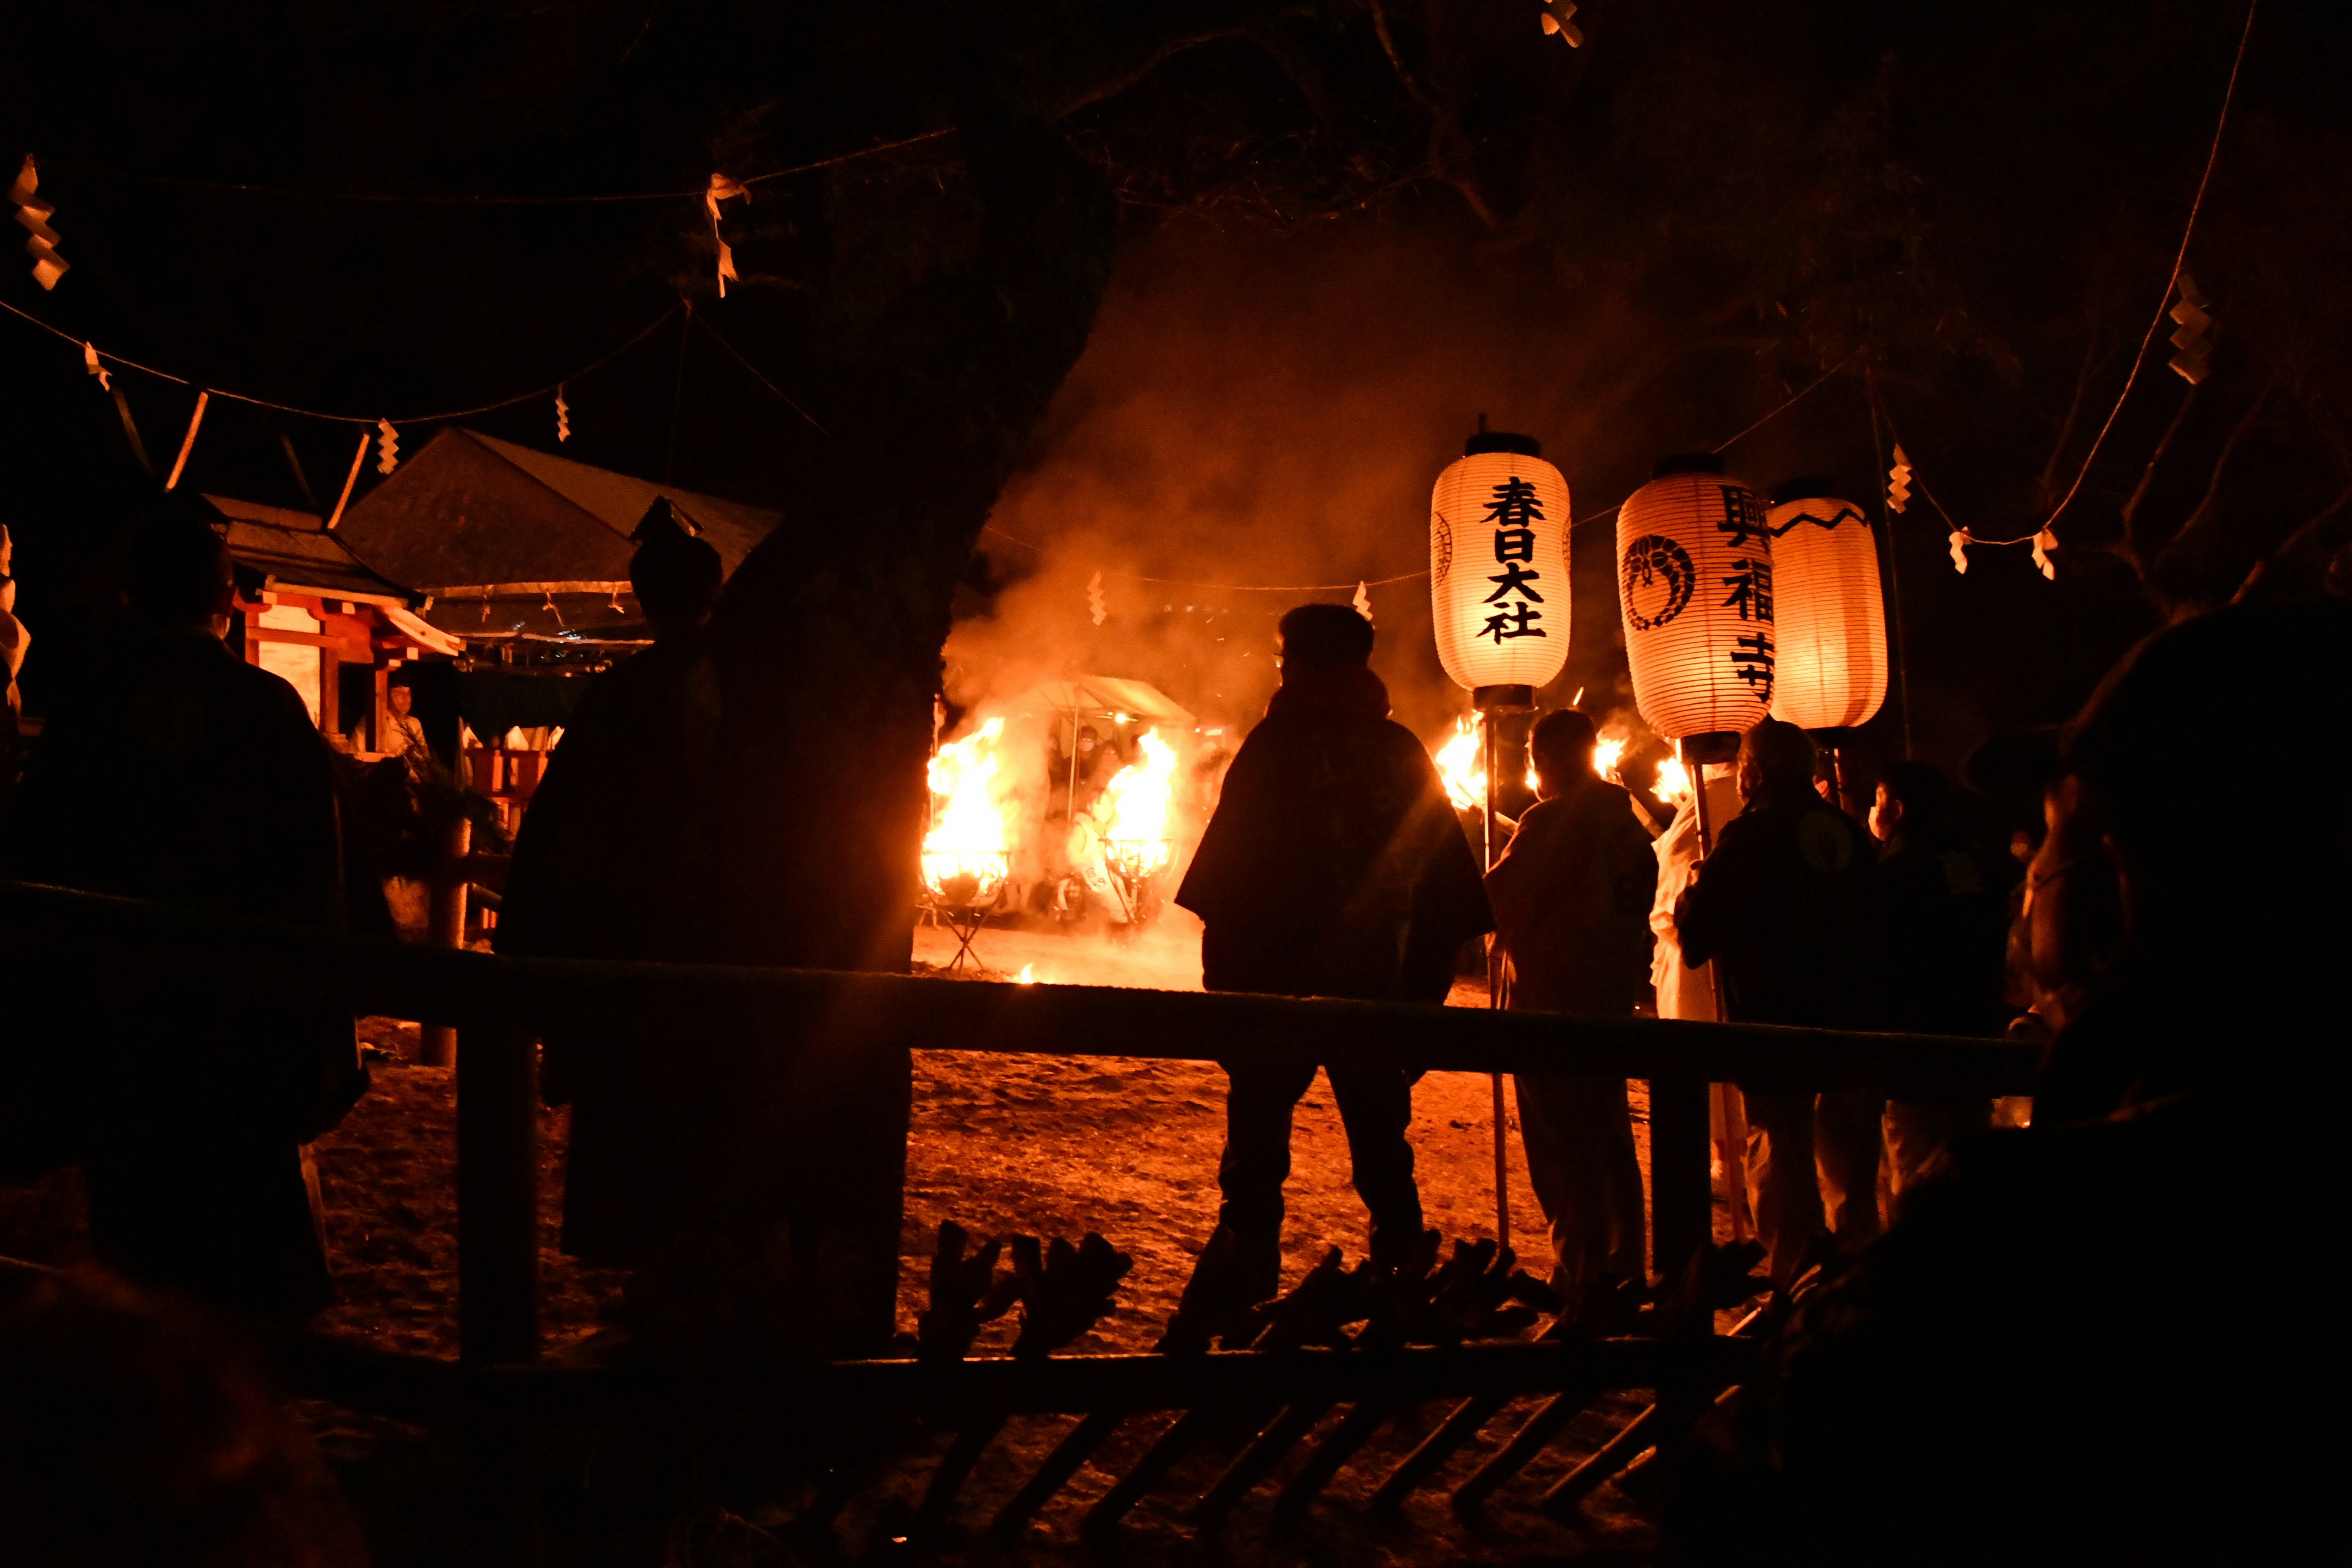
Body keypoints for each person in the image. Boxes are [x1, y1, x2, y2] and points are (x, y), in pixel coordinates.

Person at [1668, 601, 2350, 1565]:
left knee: (1795, 1158)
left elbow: (1755, 1489)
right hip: (1863, 1031)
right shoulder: (1838, 834)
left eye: (2051, 836)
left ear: (2129, 879)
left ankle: (1789, 1272)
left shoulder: (2031, 1235)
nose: (2023, 867)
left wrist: (1751, 1365)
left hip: (1787, 1032)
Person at [11, 506, 361, 1317]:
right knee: (243, 1256)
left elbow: (42, 855)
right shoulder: (266, 707)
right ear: (226, 592)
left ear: (134, 591)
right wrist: (319, 1025)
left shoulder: (94, 709)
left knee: (137, 1244)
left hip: (121, 1029)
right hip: (239, 1027)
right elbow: (315, 877)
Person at [1175, 604, 1490, 1301]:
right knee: (1383, 1156)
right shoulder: (1398, 752)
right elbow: (1446, 902)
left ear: (1303, 665)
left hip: (1275, 988)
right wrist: (1422, 1002)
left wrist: (1228, 999)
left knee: (1256, 1156)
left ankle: (1242, 1285)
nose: (1280, 668)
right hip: (1378, 988)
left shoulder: (1273, 749)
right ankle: (1401, 1282)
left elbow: (1226, 888)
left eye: (1286, 657)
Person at [497, 501, 726, 1280]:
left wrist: (532, 951)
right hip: (734, 953)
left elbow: (563, 832)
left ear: (643, 599)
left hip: (629, 955)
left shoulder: (621, 699)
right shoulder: (763, 697)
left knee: (637, 1146)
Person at [1675, 718, 1882, 1280]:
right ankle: (1859, 1280)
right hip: (1852, 1021)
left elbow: (1697, 938)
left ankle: (1796, 1280)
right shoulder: (1847, 831)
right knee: (1854, 1168)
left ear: (1755, 772)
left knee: (1783, 1158)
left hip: (1773, 1021)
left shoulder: (1751, 834)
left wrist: (1694, 890)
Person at [1484, 710, 1657, 1304]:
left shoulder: (1556, 820)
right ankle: (1623, 1266)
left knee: (1564, 1148)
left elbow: (1497, 903)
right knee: (1608, 1140)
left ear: (1546, 759)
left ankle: (1583, 1274)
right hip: (1609, 1003)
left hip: (1553, 1005)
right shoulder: (1630, 829)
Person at [1869, 760, 2011, 1194]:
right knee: (1970, 1168)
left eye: (1878, 800)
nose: (1873, 811)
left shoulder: (1897, 869)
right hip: (1974, 1038)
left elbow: (1882, 955)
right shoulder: (1974, 857)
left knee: (1916, 1176)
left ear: (1897, 806)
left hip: (1914, 1048)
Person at [379, 676, 431, 772]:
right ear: (389, 696)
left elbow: (424, 756)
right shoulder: (377, 721)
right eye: (400, 694)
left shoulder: (414, 723)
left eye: (408, 693)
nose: (406, 698)